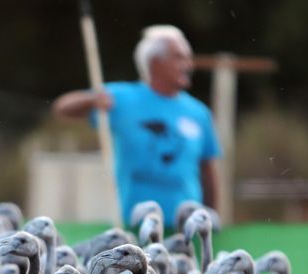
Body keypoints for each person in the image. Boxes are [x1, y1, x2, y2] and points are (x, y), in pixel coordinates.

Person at [52, 25, 221, 228]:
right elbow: (62, 108)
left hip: (184, 227)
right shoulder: (123, 98)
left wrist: (212, 216)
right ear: (155, 62)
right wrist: (90, 101)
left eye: (188, 57)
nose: (188, 64)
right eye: (179, 57)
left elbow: (208, 170)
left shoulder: (198, 112)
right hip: (132, 224)